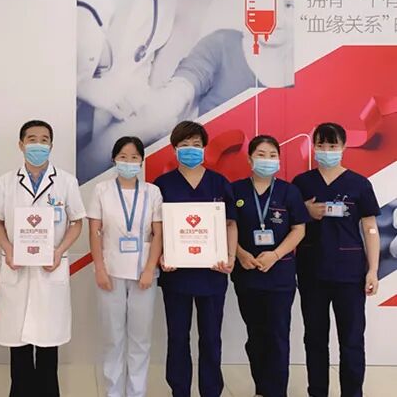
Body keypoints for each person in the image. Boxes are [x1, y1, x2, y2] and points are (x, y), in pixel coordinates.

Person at [77, 0, 295, 178]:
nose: (274, 15)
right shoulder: (224, 45)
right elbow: (171, 101)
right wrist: (86, 167)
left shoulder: (305, 77)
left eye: (288, 5)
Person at [0, 120, 86, 397]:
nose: (38, 145)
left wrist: (59, 250)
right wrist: (8, 249)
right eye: (32, 139)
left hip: (49, 269)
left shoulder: (66, 181)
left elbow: (77, 222)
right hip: (16, 269)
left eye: (44, 140)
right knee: (18, 348)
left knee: (47, 347)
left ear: (51, 145)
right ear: (21, 145)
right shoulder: (6, 181)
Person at [293, 122, 381, 397]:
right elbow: (290, 223)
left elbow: (370, 228)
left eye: (333, 146)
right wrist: (306, 211)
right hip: (312, 272)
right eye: (321, 145)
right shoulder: (302, 183)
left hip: (350, 274)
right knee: (315, 338)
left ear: (343, 147)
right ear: (314, 147)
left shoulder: (359, 184)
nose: (327, 151)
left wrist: (373, 270)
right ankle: (317, 391)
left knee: (352, 340)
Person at [153, 121, 237, 397]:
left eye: (196, 145)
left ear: (204, 148)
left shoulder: (219, 183)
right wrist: (161, 256)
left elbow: (230, 224)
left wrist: (230, 257)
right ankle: (180, 390)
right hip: (176, 274)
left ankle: (211, 390)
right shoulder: (162, 185)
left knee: (211, 338)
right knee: (178, 337)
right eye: (185, 145)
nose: (191, 149)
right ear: (174, 149)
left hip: (213, 273)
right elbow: (156, 229)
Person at [231, 135, 309, 397]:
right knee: (255, 335)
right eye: (261, 155)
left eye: (272, 155)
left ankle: (276, 391)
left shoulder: (289, 191)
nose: (267, 160)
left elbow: (299, 230)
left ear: (279, 159)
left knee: (277, 335)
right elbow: (227, 226)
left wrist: (275, 255)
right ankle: (261, 388)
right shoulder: (235, 190)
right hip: (247, 274)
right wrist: (240, 254)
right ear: (250, 159)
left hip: (280, 276)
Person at [88, 136, 163, 397]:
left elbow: (158, 233)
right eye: (123, 157)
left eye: (134, 157)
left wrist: (149, 269)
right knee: (113, 338)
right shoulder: (101, 190)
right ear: (114, 159)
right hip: (110, 272)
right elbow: (94, 232)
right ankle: (113, 392)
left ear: (141, 160)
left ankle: (136, 392)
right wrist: (99, 268)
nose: (128, 162)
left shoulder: (152, 191)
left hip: (144, 273)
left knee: (140, 339)